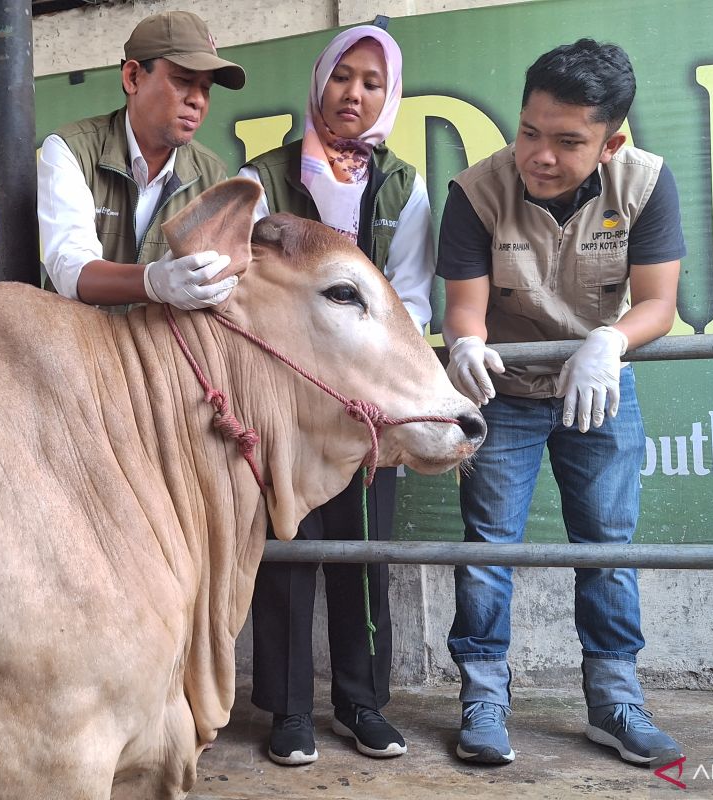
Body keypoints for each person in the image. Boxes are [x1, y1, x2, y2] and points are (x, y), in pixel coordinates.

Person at [438, 39, 684, 766]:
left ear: (612, 144)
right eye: (528, 131)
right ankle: (482, 698)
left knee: (609, 546)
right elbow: (464, 309)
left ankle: (614, 701)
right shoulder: (475, 192)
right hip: (504, 391)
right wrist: (465, 346)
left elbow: (660, 304)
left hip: (598, 386)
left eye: (568, 141)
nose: (539, 155)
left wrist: (609, 343)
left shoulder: (646, 184)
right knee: (487, 550)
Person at [237, 24, 435, 765]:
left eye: (372, 82)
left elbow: (410, 298)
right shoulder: (263, 176)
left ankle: (361, 703)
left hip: (367, 411)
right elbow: (248, 289)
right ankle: (288, 712)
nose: (354, 93)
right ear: (319, 79)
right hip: (286, 404)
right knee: (288, 550)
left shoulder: (402, 187)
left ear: (389, 96)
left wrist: (369, 383)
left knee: (363, 553)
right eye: (343, 76)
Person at [37, 10, 245, 313]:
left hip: (159, 357)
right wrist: (153, 282)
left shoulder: (211, 175)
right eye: (184, 80)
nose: (198, 100)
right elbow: (71, 269)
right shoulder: (71, 150)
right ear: (133, 77)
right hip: (75, 351)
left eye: (206, 88)